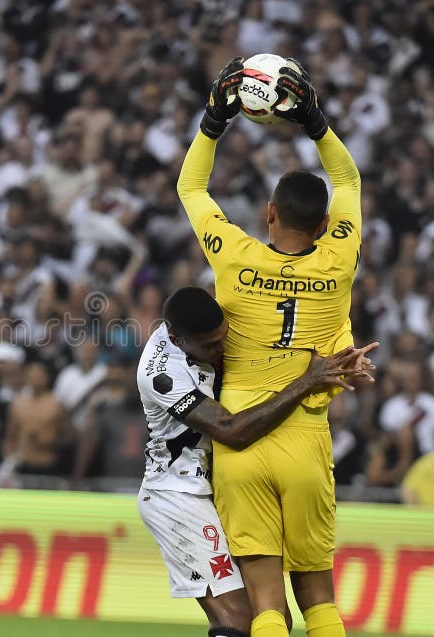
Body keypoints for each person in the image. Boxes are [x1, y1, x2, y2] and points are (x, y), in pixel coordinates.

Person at [177, 58, 363, 637]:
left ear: (270, 213)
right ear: (326, 223)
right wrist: (315, 123)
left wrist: (214, 121)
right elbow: (350, 181)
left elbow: (191, 186)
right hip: (305, 437)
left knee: (265, 604)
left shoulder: (234, 256)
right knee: (318, 596)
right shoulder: (338, 258)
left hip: (241, 435)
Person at [137, 287, 375, 637]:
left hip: (220, 485)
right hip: (177, 494)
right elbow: (231, 430)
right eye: (212, 346)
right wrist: (307, 381)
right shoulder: (161, 373)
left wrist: (339, 361)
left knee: (273, 615)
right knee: (240, 619)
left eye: (224, 338)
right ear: (177, 340)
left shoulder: (213, 327)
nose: (223, 350)